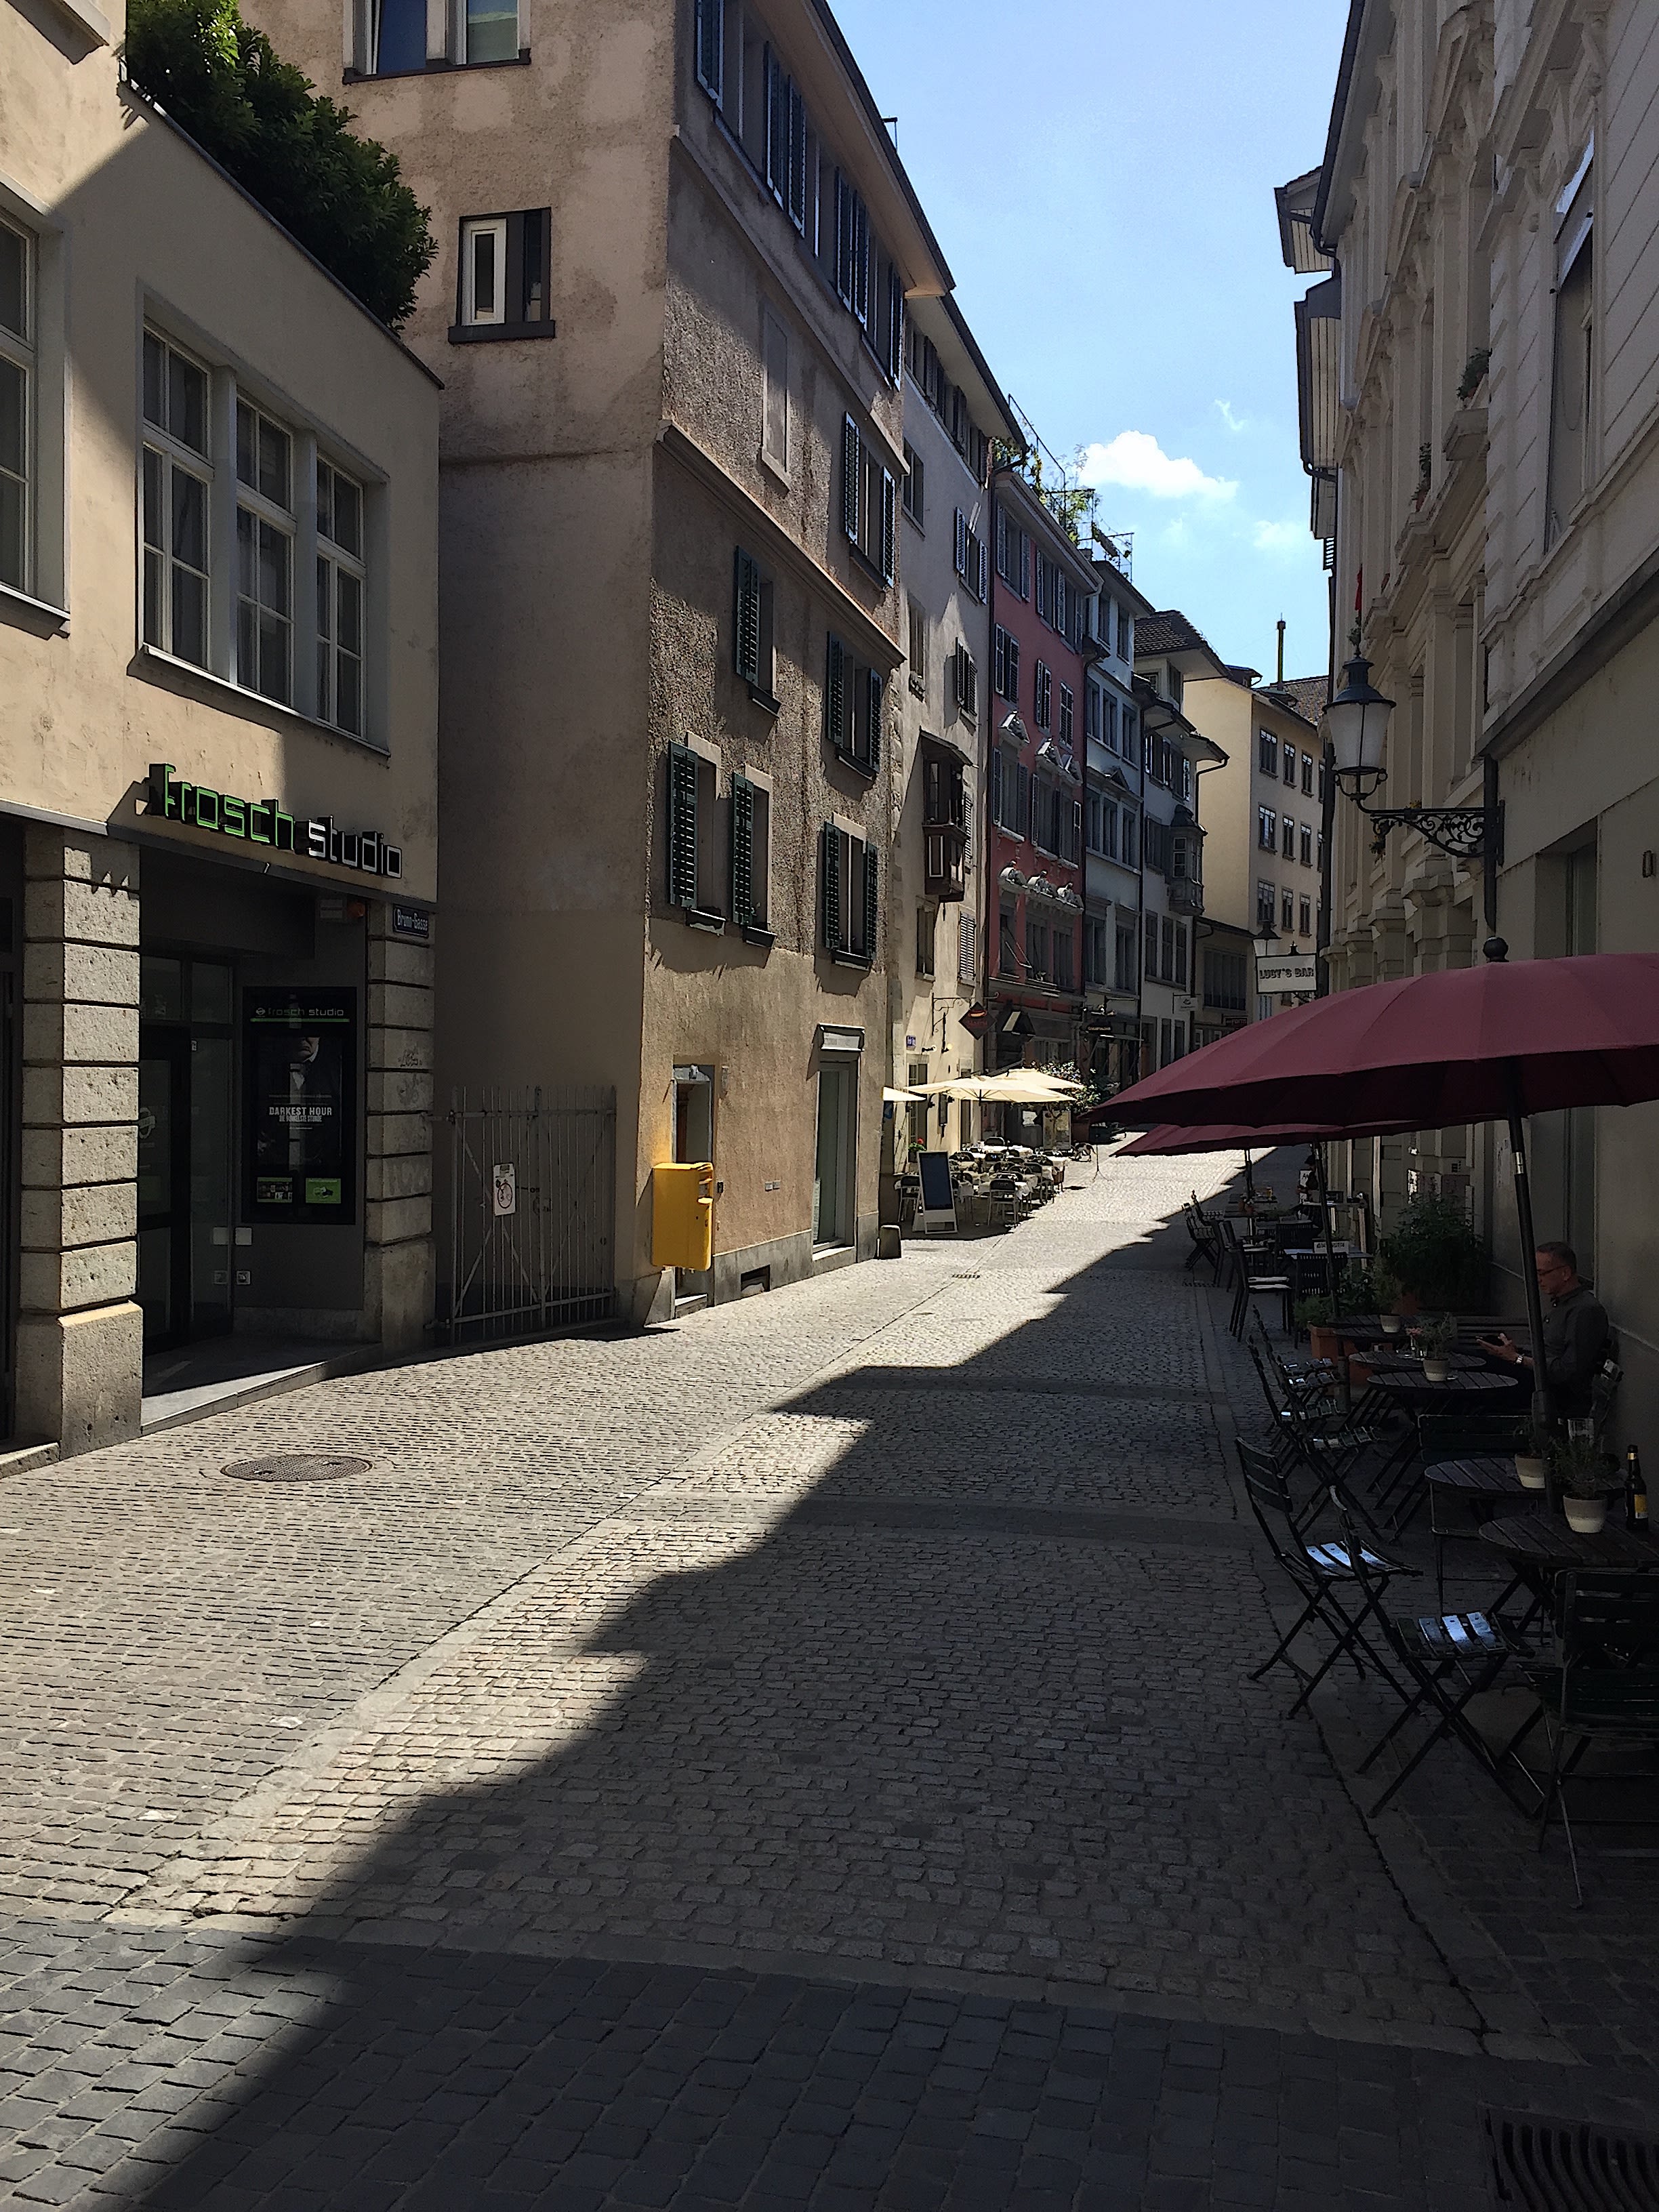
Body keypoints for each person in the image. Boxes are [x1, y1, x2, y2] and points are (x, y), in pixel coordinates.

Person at [1479, 1244, 1610, 1418]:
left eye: (1542, 1273)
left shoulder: (1584, 1311)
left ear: (1565, 1273)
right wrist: (1514, 1352)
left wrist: (1518, 1359)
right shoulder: (1562, 1305)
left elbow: (1569, 1371)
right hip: (1539, 1381)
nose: (1538, 1280)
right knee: (1477, 1359)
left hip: (1552, 1394)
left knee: (1479, 1385)